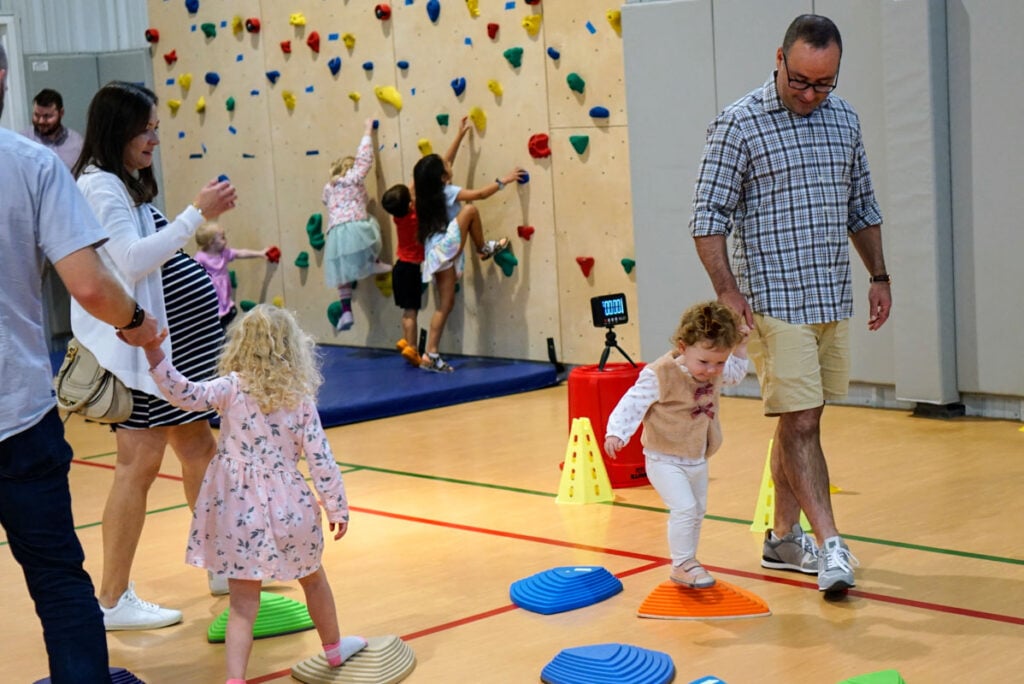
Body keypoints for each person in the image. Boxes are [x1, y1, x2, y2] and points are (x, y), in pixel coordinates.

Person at [689, 14, 891, 595]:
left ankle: (781, 540)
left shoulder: (844, 118)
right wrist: (729, 293)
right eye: (800, 80)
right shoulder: (737, 124)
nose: (810, 94)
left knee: (806, 418)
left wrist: (879, 274)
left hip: (831, 293)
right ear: (779, 59)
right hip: (773, 300)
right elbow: (707, 220)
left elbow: (862, 205)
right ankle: (830, 543)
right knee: (800, 420)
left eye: (823, 84)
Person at [0, 44, 160, 682]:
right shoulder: (31, 165)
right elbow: (92, 284)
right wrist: (139, 326)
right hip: (16, 413)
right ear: (5, 79)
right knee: (58, 579)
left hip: (22, 409)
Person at [71, 81, 239, 628]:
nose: (153, 140)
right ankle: (112, 598)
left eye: (156, 130)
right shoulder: (100, 187)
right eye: (146, 130)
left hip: (167, 357)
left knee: (199, 448)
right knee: (137, 466)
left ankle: (220, 563)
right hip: (138, 358)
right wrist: (195, 213)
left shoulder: (127, 187)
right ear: (119, 128)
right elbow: (130, 262)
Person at [143, 305, 367, 684]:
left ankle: (235, 680)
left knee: (243, 604)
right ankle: (333, 649)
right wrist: (336, 506)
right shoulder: (299, 399)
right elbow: (320, 458)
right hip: (289, 506)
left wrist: (153, 351)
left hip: (237, 509)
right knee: (313, 580)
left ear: (241, 347)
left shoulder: (230, 388)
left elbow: (182, 394)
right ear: (294, 349)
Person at [604, 302, 748, 588]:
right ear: (683, 347)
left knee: (696, 510)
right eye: (704, 362)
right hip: (663, 457)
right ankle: (681, 564)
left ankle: (689, 562)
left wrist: (741, 349)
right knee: (683, 508)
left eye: (719, 362)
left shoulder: (717, 369)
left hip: (697, 456)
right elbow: (633, 401)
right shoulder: (660, 373)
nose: (712, 370)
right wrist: (617, 432)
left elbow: (733, 375)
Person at [412, 120, 524, 372]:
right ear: (442, 177)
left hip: (437, 254)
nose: (449, 164)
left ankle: (430, 354)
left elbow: (443, 161)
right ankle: (483, 247)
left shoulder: (422, 191)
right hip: (446, 247)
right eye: (446, 168)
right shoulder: (447, 191)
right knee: (471, 210)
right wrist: (504, 180)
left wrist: (459, 135)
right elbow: (481, 195)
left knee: (445, 304)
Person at [322, 117, 391, 332]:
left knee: (342, 274)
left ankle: (346, 311)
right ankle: (373, 261)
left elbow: (326, 202)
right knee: (371, 228)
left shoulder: (329, 187)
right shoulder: (354, 177)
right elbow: (364, 159)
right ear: (350, 168)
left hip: (335, 234)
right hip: (355, 225)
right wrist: (367, 130)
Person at [381, 183, 426, 366]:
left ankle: (406, 341)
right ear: (409, 204)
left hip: (399, 268)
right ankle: (412, 348)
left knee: (406, 313)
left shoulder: (398, 218)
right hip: (411, 269)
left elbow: (408, 196)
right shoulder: (416, 217)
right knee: (412, 312)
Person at [194, 221, 271, 330]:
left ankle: (224, 320)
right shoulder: (201, 257)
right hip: (211, 293)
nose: (226, 240)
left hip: (224, 294)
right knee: (216, 321)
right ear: (211, 243)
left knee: (228, 316)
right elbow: (193, 273)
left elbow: (241, 253)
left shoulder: (224, 253)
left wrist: (260, 253)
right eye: (222, 237)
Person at [20, 88, 84, 169]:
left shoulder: (77, 143)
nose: (41, 121)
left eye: (47, 116)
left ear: (61, 113)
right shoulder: (22, 141)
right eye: (37, 115)